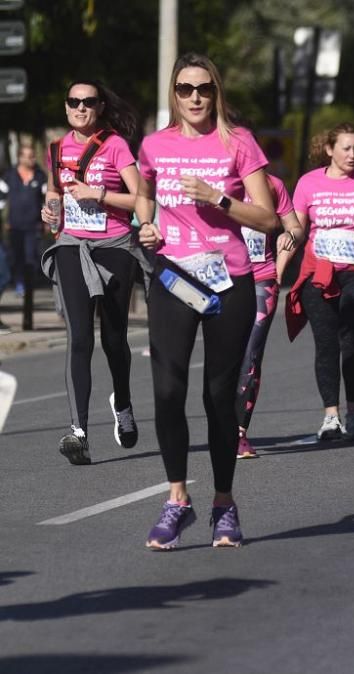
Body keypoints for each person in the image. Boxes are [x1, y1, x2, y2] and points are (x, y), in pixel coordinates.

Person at [136, 52, 279, 549]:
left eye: (203, 89)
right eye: (184, 89)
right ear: (173, 95)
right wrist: (146, 226)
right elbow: (143, 197)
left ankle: (223, 503)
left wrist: (217, 198)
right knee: (168, 389)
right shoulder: (155, 145)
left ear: (216, 93)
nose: (194, 98)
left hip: (228, 281)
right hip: (174, 277)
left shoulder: (237, 143)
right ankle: (177, 500)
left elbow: (269, 219)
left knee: (219, 396)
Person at [38, 80, 147, 465]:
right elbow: (55, 191)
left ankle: (124, 404)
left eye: (88, 102)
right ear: (66, 107)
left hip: (114, 246)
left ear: (100, 107)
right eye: (73, 102)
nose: (80, 108)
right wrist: (51, 208)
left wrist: (98, 195)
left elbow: (140, 198)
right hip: (72, 245)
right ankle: (78, 432)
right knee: (79, 336)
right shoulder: (56, 148)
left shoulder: (115, 145)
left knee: (114, 338)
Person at [286, 123, 354, 442]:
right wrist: (281, 258)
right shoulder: (308, 184)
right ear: (329, 149)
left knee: (352, 336)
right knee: (326, 343)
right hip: (318, 271)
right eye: (346, 148)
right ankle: (331, 417)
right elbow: (297, 229)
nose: (353, 155)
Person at [234, 174, 304, 458]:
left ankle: (239, 431)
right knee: (225, 355)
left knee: (251, 354)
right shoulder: (214, 177)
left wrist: (289, 237)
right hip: (219, 278)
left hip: (261, 278)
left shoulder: (272, 184)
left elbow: (295, 227)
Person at [0, 146, 46, 299]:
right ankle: (19, 284)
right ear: (20, 157)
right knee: (17, 256)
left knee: (30, 256)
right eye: (27, 156)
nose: (31, 159)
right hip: (14, 225)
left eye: (33, 156)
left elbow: (47, 200)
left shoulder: (40, 176)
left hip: (34, 226)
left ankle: (29, 286)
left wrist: (47, 221)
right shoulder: (9, 176)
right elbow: (1, 199)